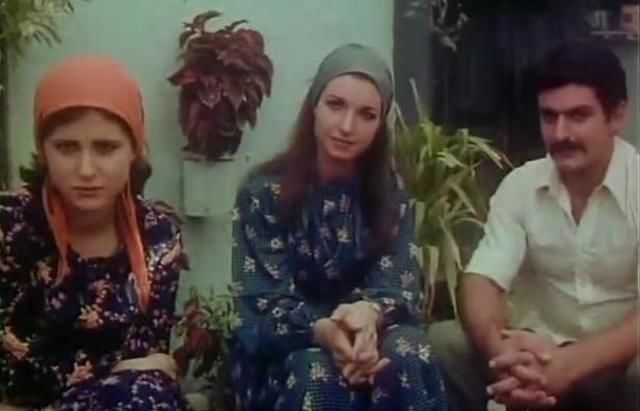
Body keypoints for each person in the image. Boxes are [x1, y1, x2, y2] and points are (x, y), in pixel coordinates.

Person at [229, 44, 447, 411]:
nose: (347, 127)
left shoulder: (390, 192)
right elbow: (262, 303)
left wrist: (369, 315)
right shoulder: (263, 193)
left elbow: (397, 284)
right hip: (290, 346)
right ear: (314, 106)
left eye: (366, 115)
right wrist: (325, 332)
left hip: (370, 337)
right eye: (335, 105)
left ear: (380, 124)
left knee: (407, 352)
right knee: (318, 374)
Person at [428, 41, 639, 411]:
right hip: (538, 354)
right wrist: (501, 353)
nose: (561, 133)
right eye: (549, 116)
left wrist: (570, 365)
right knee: (444, 342)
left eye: (578, 116)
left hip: (618, 364)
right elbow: (482, 279)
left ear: (617, 116)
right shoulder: (522, 186)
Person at [0, 56, 192, 410]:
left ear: (134, 149)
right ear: (43, 151)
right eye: (66, 147)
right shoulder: (10, 226)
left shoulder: (157, 236)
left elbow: (150, 363)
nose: (86, 169)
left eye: (106, 148)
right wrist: (122, 371)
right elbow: (15, 374)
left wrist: (134, 374)